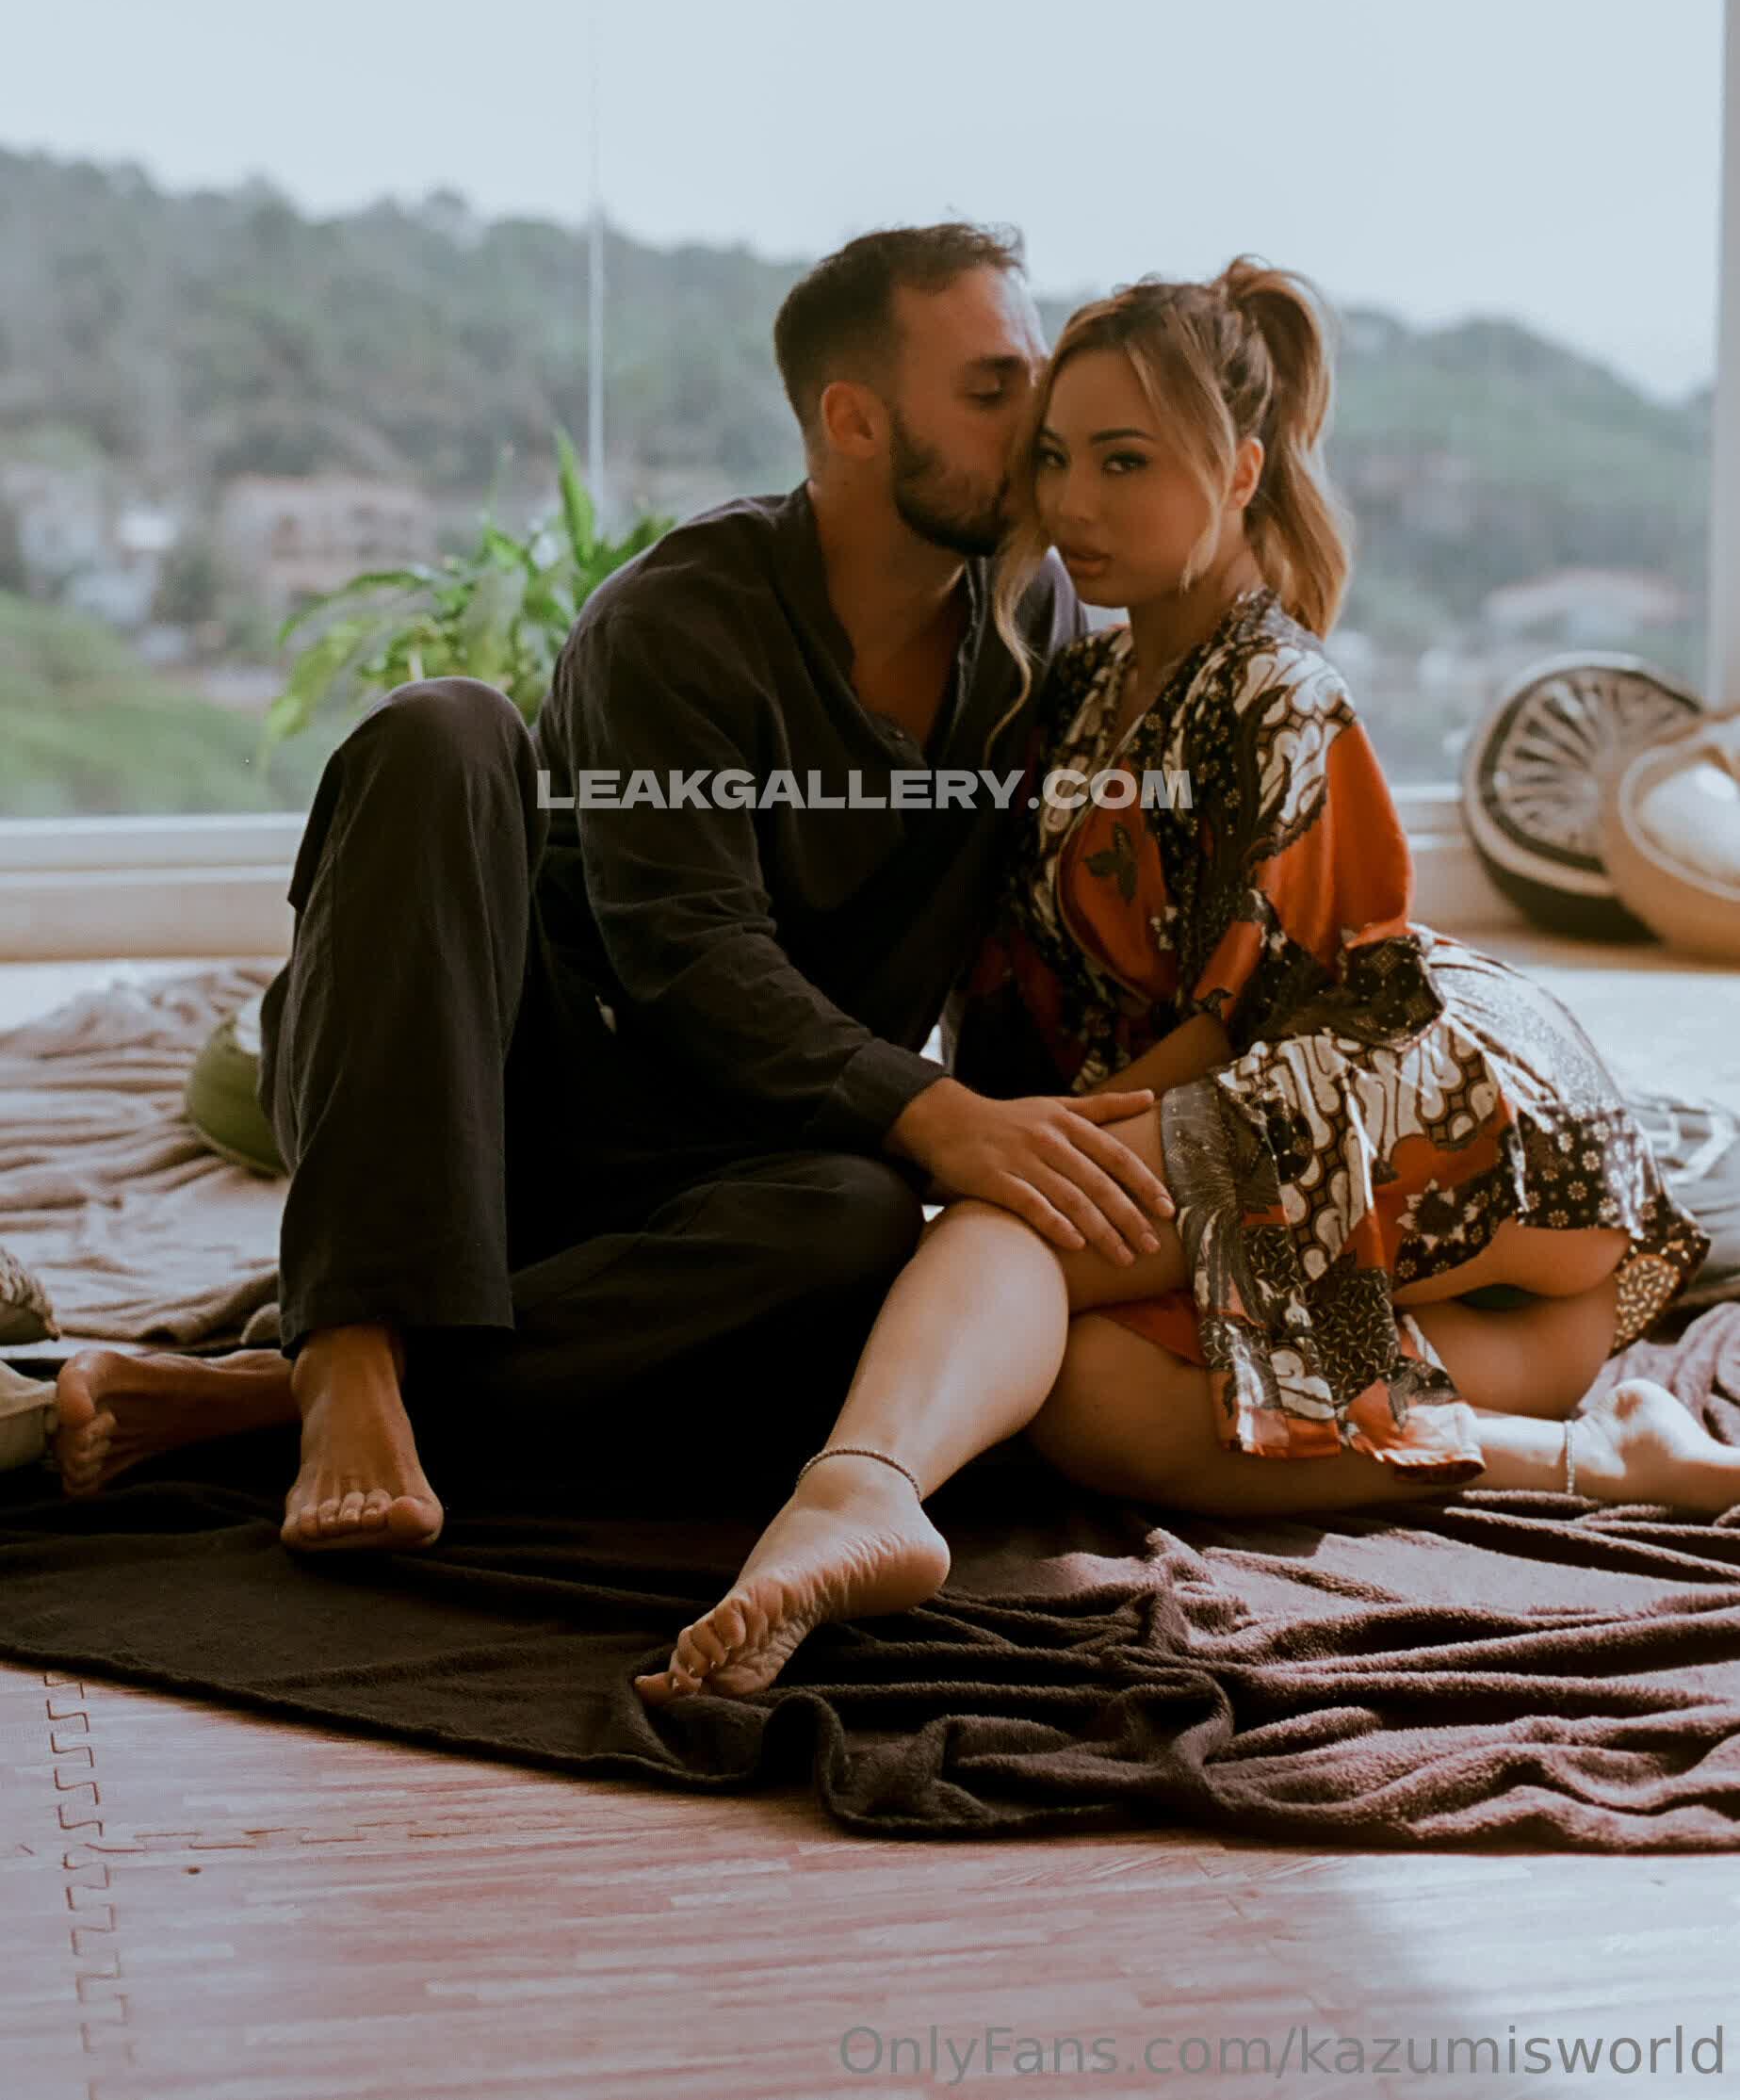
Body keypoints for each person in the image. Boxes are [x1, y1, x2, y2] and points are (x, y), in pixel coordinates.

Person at [634, 253, 1735, 1708]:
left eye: (1125, 461)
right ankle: (1596, 1456)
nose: (1073, 503)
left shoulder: (1278, 695)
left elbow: (1244, 1030)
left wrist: (1000, 1149)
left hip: (1484, 1136)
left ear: (1242, 473)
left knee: (1018, 1219)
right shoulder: (1082, 686)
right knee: (1086, 1399)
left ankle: (855, 1492)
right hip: (1488, 1315)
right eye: (1054, 460)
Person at [51, 221, 1179, 1538]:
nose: (1039, 425)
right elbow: (689, 956)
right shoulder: (679, 618)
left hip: (723, 1168)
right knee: (448, 728)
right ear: (856, 420)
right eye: (992, 390)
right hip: (487, 1106)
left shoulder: (1037, 623)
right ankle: (351, 1345)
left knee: (862, 1223)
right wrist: (938, 1111)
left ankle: (271, 1396)